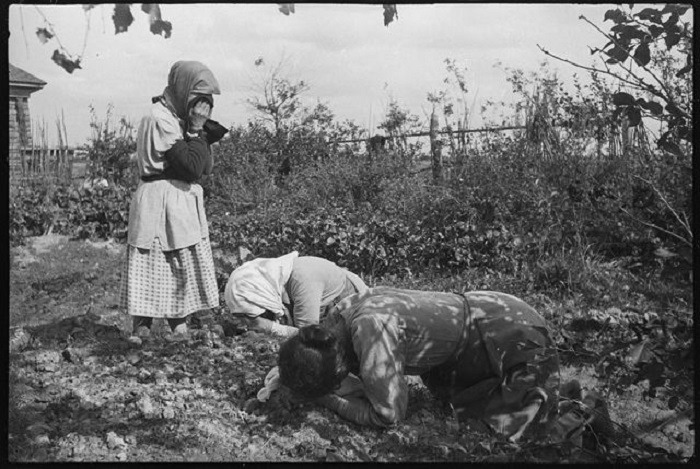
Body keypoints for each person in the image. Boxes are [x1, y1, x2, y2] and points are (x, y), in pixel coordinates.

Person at [277, 287, 561, 441]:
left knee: (515, 430)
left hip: (511, 336)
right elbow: (307, 353)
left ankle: (583, 417)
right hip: (483, 319)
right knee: (460, 410)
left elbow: (388, 416)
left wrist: (327, 399)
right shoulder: (338, 319)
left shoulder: (371, 328)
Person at [119, 60, 224, 340]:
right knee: (155, 260)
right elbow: (190, 167)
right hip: (160, 199)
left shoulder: (175, 117)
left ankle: (175, 327)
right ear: (181, 89)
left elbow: (203, 168)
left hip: (173, 201)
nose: (200, 105)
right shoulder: (160, 118)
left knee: (174, 264)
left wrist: (200, 134)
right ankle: (143, 327)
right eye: (196, 97)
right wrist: (196, 130)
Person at [224, 251, 368, 337]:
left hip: (351, 306)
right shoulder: (272, 278)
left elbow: (309, 336)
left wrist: (269, 327)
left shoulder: (302, 280)